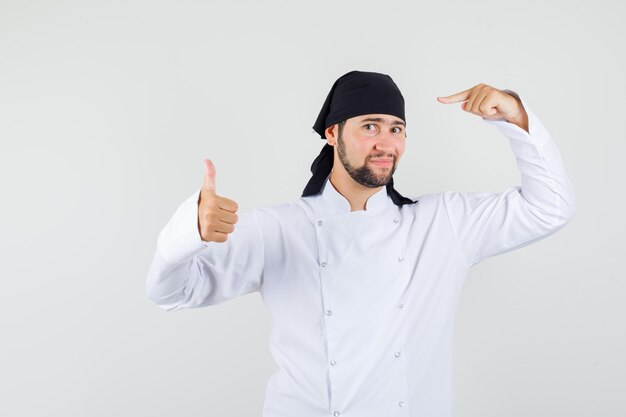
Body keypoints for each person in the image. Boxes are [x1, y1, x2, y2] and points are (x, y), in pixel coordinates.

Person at [146, 70, 576, 417]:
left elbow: (551, 207)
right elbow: (172, 293)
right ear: (333, 134)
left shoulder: (443, 223)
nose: (386, 143)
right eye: (370, 126)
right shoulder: (277, 229)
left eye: (396, 128)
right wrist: (190, 232)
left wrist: (514, 118)